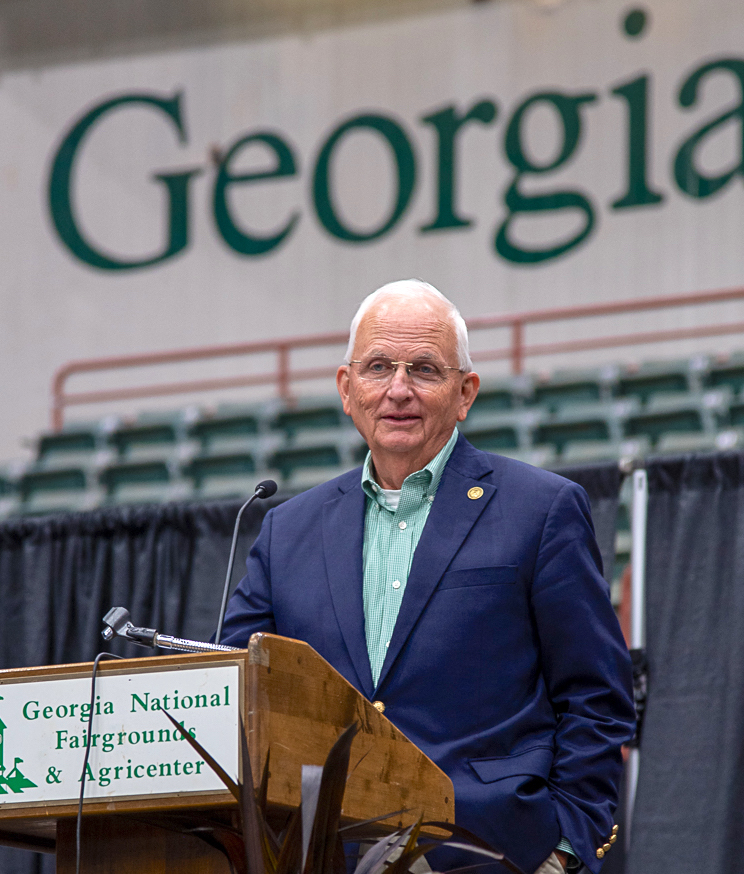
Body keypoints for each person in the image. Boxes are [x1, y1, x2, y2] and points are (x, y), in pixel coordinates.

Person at [220, 280, 635, 874]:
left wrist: (564, 848)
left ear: (465, 393)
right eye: (378, 367)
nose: (397, 390)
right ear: (346, 388)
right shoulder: (288, 530)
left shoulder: (541, 510)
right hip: (323, 854)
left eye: (423, 369)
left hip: (494, 849)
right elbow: (236, 689)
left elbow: (596, 697)